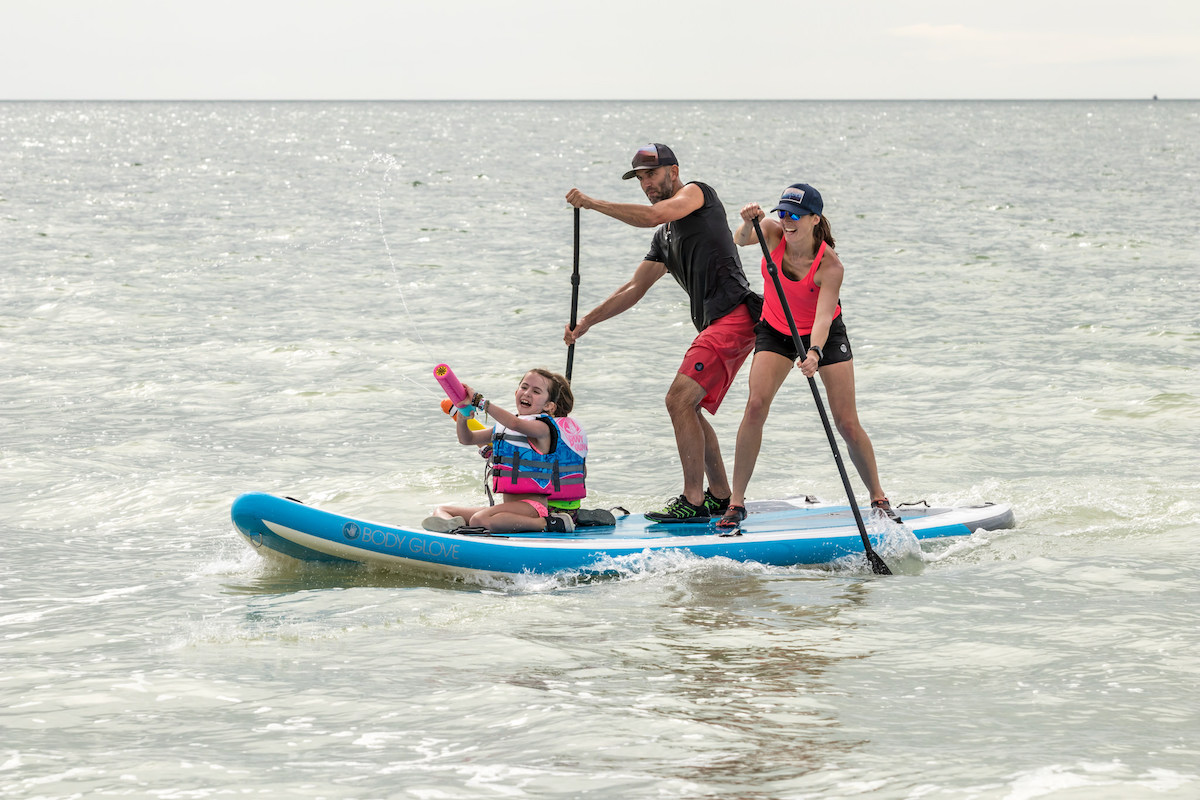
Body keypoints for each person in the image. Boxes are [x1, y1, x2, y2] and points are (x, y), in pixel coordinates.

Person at [564, 143, 761, 523]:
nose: (646, 184)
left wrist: (591, 203)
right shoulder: (665, 238)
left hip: (735, 316)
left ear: (673, 170)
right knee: (689, 407)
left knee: (677, 400)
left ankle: (693, 500)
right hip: (717, 323)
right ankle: (719, 495)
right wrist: (586, 321)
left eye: (651, 175)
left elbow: (654, 215)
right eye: (639, 178)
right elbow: (633, 289)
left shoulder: (698, 194)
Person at [717, 183, 900, 528]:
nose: (786, 221)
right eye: (782, 213)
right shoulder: (770, 233)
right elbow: (741, 240)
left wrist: (815, 352)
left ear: (815, 219)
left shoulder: (830, 265)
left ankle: (878, 496)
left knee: (846, 422)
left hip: (823, 336)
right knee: (755, 405)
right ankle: (736, 502)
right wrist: (746, 222)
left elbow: (822, 317)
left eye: (795, 216)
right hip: (775, 328)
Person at [424, 368, 590, 534]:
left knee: (479, 519)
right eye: (524, 388)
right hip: (510, 507)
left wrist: (480, 402)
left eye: (536, 391)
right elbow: (467, 439)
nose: (527, 393)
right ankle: (455, 529)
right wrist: (461, 417)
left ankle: (548, 523)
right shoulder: (504, 428)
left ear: (549, 405)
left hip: (534, 507)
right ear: (516, 391)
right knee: (442, 510)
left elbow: (516, 424)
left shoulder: (543, 428)